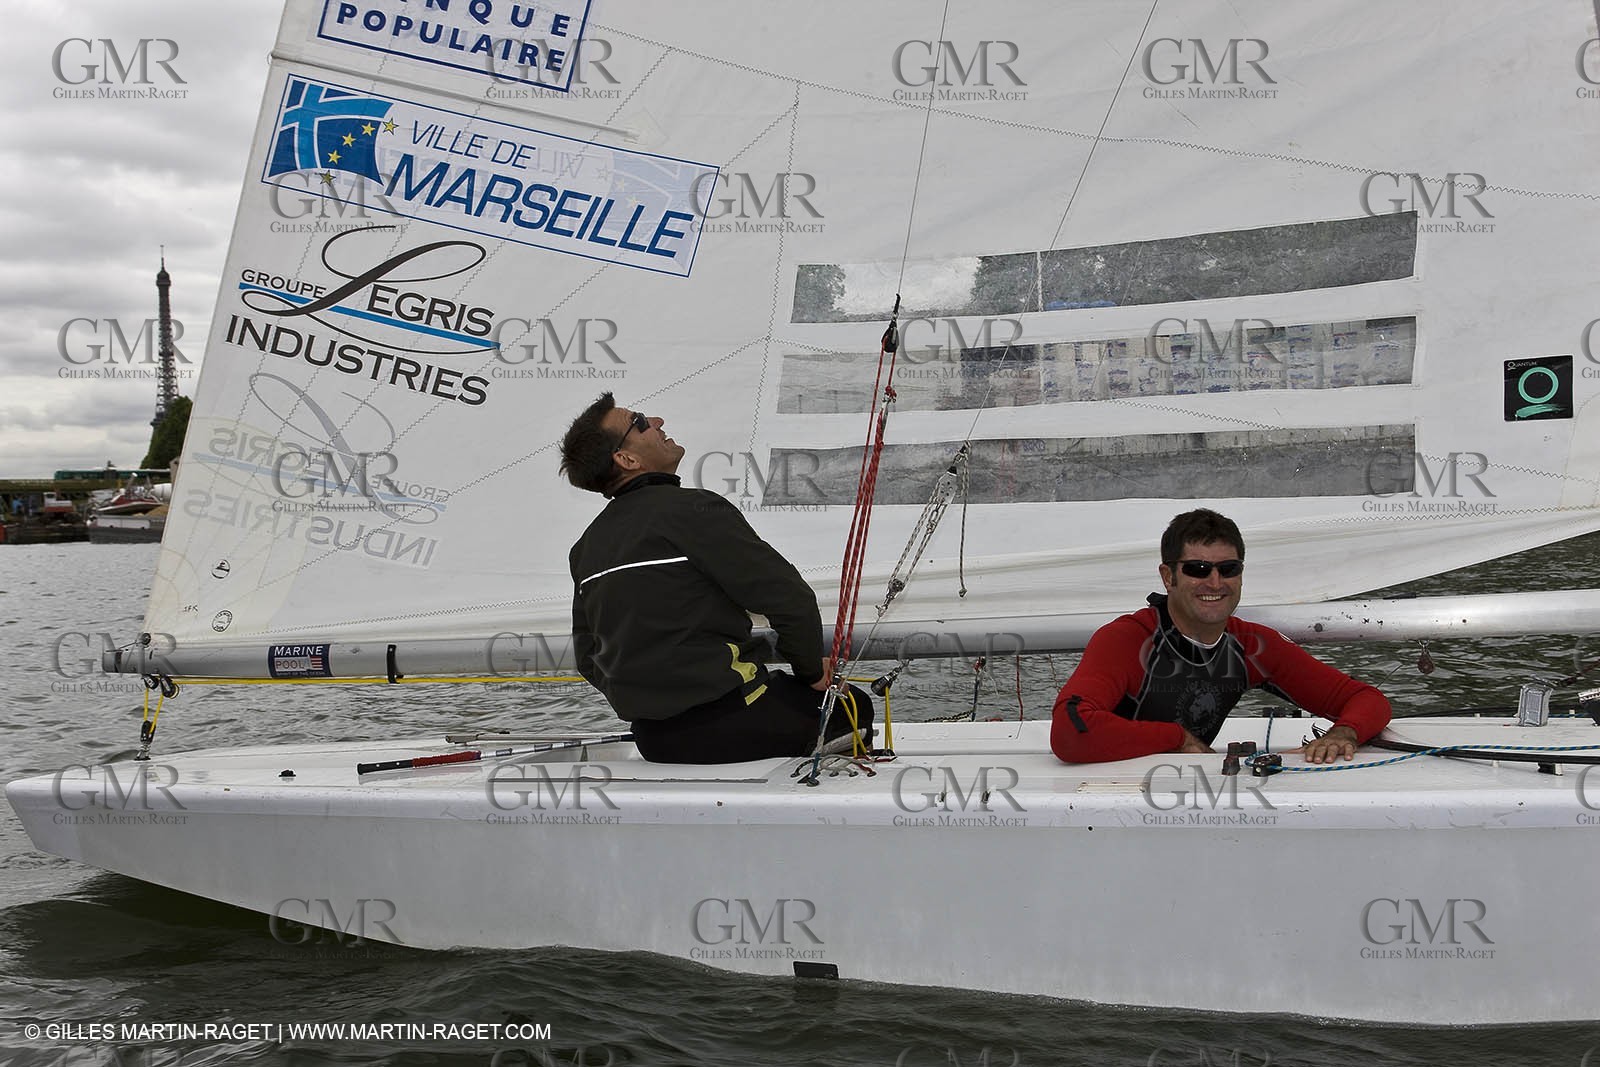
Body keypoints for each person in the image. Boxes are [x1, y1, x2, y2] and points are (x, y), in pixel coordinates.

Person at [559, 392, 873, 764]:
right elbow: (790, 600)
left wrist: (646, 703)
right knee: (855, 708)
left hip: (655, 740)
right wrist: (809, 671)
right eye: (640, 421)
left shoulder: (585, 548)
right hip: (736, 722)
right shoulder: (694, 510)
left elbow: (589, 658)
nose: (656, 421)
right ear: (627, 459)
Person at [1051, 508, 1390, 764]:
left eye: (1228, 569)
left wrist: (1343, 733)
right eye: (1198, 569)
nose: (1215, 583)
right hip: (1107, 796)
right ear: (1168, 577)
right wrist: (1176, 738)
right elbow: (1070, 731)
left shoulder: (1251, 645)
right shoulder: (1128, 640)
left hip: (1191, 797)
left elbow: (1367, 700)